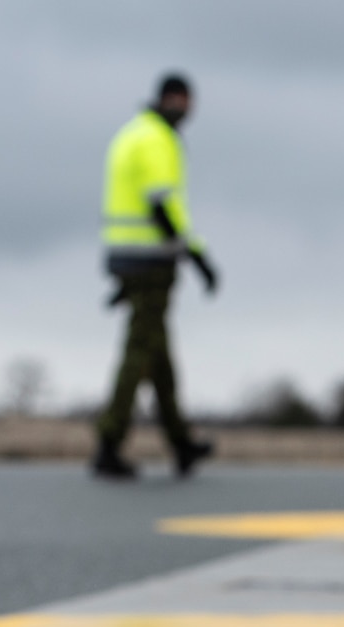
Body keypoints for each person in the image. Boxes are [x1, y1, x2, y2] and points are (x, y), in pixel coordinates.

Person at [93, 73, 218, 481]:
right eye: (182, 101)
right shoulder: (155, 139)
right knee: (140, 352)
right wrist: (194, 253)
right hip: (150, 261)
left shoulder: (133, 134)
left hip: (128, 256)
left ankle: (181, 442)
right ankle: (108, 441)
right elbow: (163, 207)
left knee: (159, 357)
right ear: (171, 99)